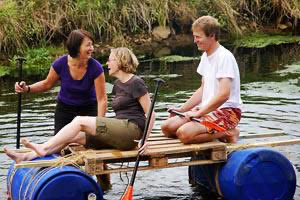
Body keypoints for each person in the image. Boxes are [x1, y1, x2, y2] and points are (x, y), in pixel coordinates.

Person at [5, 47, 155, 163]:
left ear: (120, 61)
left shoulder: (136, 82)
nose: (107, 63)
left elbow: (151, 113)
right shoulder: (118, 84)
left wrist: (144, 140)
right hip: (121, 132)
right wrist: (102, 129)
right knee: (72, 136)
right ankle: (26, 157)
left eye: (110, 60)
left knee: (79, 121)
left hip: (133, 132)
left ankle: (43, 149)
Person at [161, 16, 242, 144]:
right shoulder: (205, 55)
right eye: (194, 36)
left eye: (198, 37)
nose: (195, 40)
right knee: (166, 128)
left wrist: (199, 114)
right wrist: (182, 110)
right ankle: (213, 130)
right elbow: (203, 89)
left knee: (183, 134)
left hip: (227, 111)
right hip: (207, 108)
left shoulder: (224, 57)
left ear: (212, 36)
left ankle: (230, 131)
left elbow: (224, 95)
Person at [15, 29, 107, 134]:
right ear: (76, 47)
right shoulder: (60, 64)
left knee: (88, 144)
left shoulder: (96, 68)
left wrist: (100, 125)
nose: (92, 48)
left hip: (89, 109)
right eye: (88, 45)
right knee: (60, 144)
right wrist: (27, 89)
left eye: (92, 45)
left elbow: (102, 99)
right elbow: (46, 84)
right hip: (65, 110)